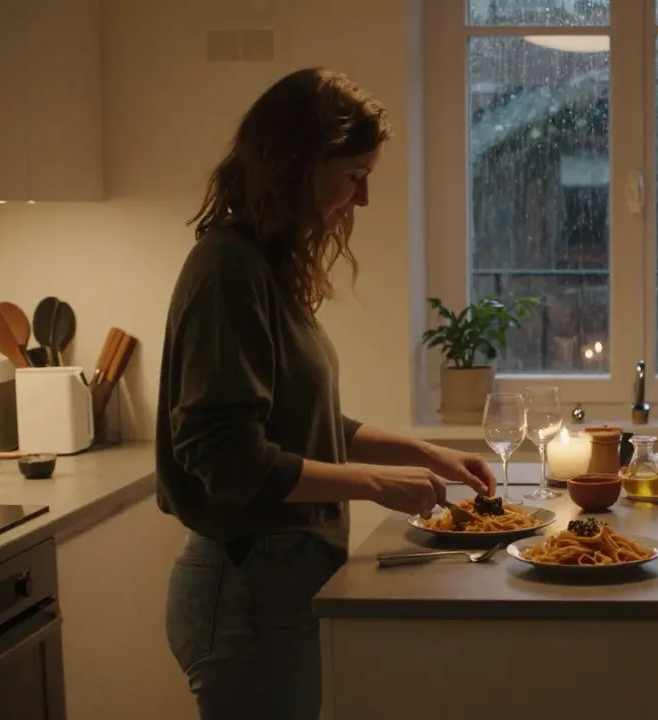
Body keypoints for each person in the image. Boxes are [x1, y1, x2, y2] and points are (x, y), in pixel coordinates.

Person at [156, 68, 498, 720]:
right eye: (354, 175)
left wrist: (425, 454)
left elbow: (306, 425)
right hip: (244, 590)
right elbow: (226, 455)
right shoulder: (227, 269)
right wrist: (374, 484)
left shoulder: (263, 268)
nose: (362, 198)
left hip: (274, 584)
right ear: (297, 165)